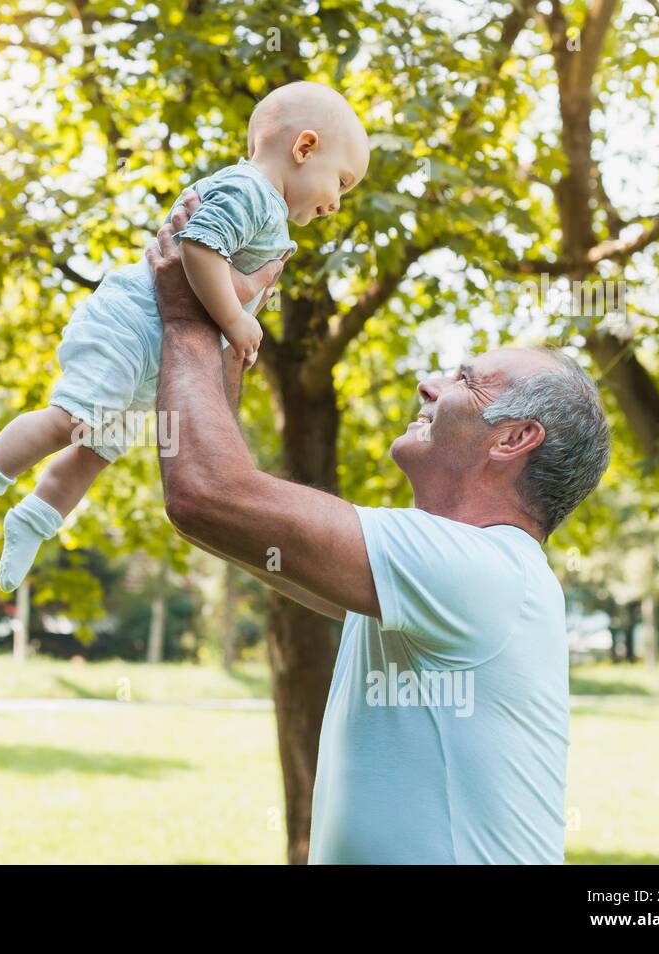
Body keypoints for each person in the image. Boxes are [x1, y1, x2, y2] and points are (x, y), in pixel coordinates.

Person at [146, 194, 612, 863]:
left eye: (465, 380)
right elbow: (225, 521)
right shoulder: (438, 575)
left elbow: (207, 495)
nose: (429, 384)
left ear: (513, 438)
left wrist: (187, 318)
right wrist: (225, 328)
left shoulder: (479, 573)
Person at [0, 81, 370, 592]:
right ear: (305, 147)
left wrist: (237, 329)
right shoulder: (250, 191)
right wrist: (234, 318)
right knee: (71, 420)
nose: (337, 203)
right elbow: (198, 250)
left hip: (158, 355)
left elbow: (222, 274)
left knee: (97, 448)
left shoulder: (271, 216)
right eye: (341, 182)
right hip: (131, 325)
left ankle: (34, 520)